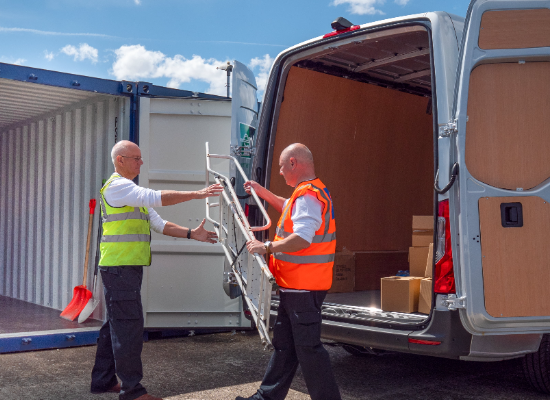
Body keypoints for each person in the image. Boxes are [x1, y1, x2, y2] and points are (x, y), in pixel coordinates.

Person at [90, 140, 223, 400]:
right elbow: (156, 198)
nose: (141, 162)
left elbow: (159, 223)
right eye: (136, 158)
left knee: (116, 325)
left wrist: (190, 233)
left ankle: (103, 380)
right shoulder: (119, 187)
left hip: (123, 268)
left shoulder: (131, 192)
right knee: (128, 327)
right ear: (120, 160)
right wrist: (198, 194)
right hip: (119, 268)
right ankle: (133, 392)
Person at [237, 143, 341, 400]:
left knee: (308, 350)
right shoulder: (307, 193)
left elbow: (303, 238)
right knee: (286, 346)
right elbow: (288, 208)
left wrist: (267, 247)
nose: (281, 172)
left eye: (282, 167)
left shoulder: (307, 195)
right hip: (295, 286)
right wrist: (263, 192)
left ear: (294, 163)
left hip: (304, 287)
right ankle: (266, 397)